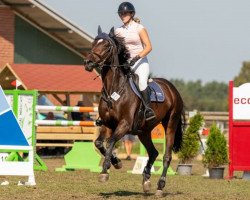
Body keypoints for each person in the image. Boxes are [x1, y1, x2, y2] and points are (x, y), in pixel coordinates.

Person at [115, 2, 155, 121]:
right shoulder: (118, 31)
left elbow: (148, 47)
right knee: (114, 83)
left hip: (140, 62)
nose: (122, 15)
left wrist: (136, 58)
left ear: (131, 14)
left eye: (125, 13)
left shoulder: (139, 28)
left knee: (142, 83)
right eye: (120, 14)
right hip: (125, 63)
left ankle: (148, 109)